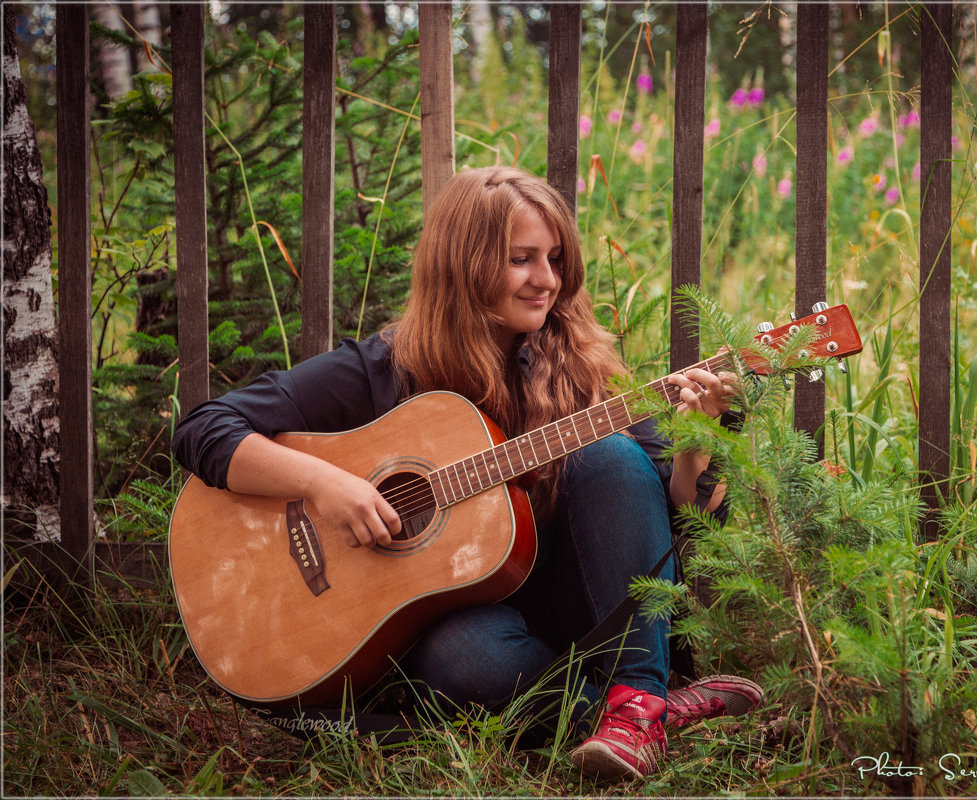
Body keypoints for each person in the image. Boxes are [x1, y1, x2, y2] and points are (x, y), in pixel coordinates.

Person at [171, 165, 761, 780]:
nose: (547, 280)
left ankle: (638, 696)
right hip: (484, 627)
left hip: (579, 610)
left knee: (610, 453)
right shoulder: (385, 367)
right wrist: (326, 484)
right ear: (464, 263)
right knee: (462, 661)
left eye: (556, 258)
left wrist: (698, 444)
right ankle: (639, 714)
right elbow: (204, 430)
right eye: (521, 259)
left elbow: (681, 528)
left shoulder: (581, 372)